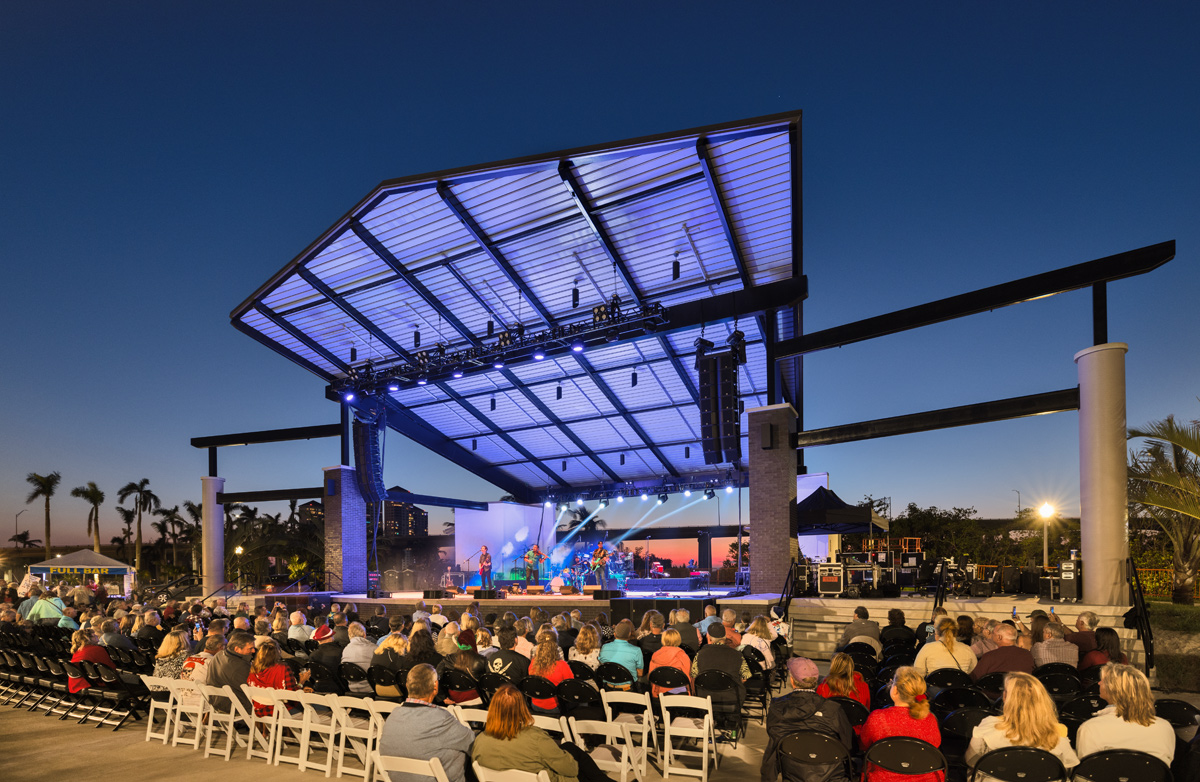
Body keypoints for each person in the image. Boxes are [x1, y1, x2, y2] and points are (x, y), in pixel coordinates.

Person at [472, 684, 606, 782]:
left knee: (569, 748)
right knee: (580, 767)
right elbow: (571, 769)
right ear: (521, 708)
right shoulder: (535, 738)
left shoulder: (480, 741)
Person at [965, 672, 1079, 778]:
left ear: (1005, 698)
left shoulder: (988, 725)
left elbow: (971, 760)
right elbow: (1068, 768)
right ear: (1042, 699)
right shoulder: (1058, 731)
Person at [761, 657, 853, 782]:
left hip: (793, 772)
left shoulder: (777, 708)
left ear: (792, 681)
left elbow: (773, 747)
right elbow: (847, 743)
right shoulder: (833, 709)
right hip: (830, 774)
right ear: (816, 681)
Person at [378, 664, 476, 782]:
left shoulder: (393, 715)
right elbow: (473, 744)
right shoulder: (441, 719)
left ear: (407, 685)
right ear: (435, 687)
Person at [1076, 663, 1175, 764]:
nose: (1099, 683)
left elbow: (1085, 772)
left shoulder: (1090, 728)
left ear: (1114, 689)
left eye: (1103, 681)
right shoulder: (1164, 727)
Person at [860, 667, 941, 782]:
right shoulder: (930, 719)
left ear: (895, 690)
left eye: (892, 682)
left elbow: (864, 745)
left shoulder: (877, 718)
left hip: (883, 778)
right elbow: (935, 747)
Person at [694, 623, 751, 730]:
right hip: (731, 697)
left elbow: (694, 676)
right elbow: (745, 677)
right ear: (724, 637)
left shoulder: (700, 654)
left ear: (709, 637)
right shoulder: (737, 655)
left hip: (705, 697)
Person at [246, 640, 309, 716]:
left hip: (259, 710)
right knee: (312, 706)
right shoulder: (282, 669)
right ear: (278, 653)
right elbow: (292, 695)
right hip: (280, 710)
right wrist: (301, 682)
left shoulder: (253, 669)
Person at [205, 630, 257, 709]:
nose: (253, 651)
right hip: (235, 706)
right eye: (250, 648)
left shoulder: (218, 655)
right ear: (237, 649)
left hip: (215, 703)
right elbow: (253, 689)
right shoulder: (240, 666)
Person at [437, 629, 488, 704]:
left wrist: (442, 697)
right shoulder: (482, 660)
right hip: (477, 697)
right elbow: (487, 682)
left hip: (454, 698)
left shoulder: (448, 659)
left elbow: (436, 676)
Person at [527, 639, 573, 712]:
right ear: (555, 651)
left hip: (535, 705)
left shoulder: (533, 663)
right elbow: (570, 685)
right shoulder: (562, 665)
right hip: (555, 707)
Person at [68, 628, 116, 693]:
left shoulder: (78, 650)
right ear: (88, 638)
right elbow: (110, 669)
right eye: (94, 635)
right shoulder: (97, 649)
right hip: (93, 682)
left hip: (77, 682)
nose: (97, 636)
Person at [648, 628, 692, 697]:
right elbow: (688, 676)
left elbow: (651, 677)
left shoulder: (655, 655)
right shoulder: (682, 655)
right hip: (681, 693)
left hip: (660, 693)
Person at [341, 621, 377, 694]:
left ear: (349, 635)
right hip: (371, 688)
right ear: (364, 634)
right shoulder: (374, 648)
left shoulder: (345, 650)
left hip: (351, 688)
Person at [307, 624, 344, 690]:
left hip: (318, 687)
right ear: (329, 638)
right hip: (339, 688)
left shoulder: (312, 655)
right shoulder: (341, 652)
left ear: (318, 641)